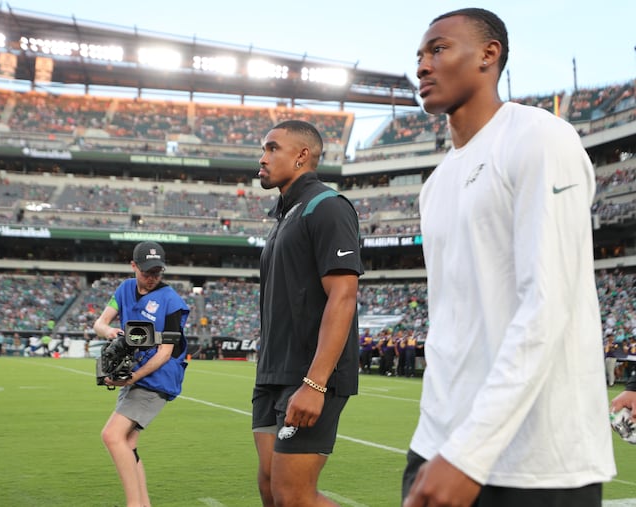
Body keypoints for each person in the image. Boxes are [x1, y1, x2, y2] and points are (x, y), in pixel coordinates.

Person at [402, 8, 616, 507]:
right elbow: (451, 326)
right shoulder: (434, 186)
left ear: (488, 55)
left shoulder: (540, 137)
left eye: (438, 49)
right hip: (438, 447)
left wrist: (469, 452)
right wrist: (436, 444)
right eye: (419, 56)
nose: (422, 66)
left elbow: (547, 304)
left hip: (536, 463)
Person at [252, 120, 364, 507]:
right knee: (270, 489)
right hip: (273, 373)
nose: (262, 159)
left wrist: (315, 384)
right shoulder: (284, 216)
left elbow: (344, 297)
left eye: (271, 149)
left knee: (293, 496)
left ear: (302, 156)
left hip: (310, 375)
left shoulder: (326, 206)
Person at [93, 240, 189, 507]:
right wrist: (110, 332)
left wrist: (131, 377)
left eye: (157, 272)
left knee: (111, 436)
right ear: (133, 266)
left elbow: (165, 353)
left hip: (158, 376)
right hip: (135, 372)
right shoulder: (124, 289)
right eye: (146, 272)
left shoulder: (171, 301)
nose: (152, 278)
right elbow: (100, 323)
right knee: (127, 442)